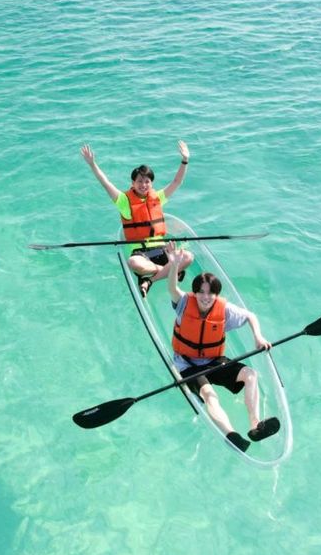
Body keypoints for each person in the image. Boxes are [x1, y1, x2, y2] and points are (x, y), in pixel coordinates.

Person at [166, 250, 281, 453]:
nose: (206, 297)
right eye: (201, 292)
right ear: (194, 292)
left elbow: (250, 316)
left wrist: (258, 336)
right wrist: (174, 265)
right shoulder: (183, 303)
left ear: (216, 294)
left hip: (213, 360)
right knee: (209, 395)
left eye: (210, 293)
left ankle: (255, 425)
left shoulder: (224, 309)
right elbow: (172, 288)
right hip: (187, 364)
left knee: (250, 374)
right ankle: (231, 435)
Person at [80, 141, 194, 297]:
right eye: (139, 181)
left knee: (188, 257)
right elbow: (105, 183)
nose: (143, 185)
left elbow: (177, 182)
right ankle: (169, 271)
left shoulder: (157, 198)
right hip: (141, 253)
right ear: (132, 183)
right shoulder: (124, 202)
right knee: (133, 263)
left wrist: (185, 160)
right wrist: (92, 164)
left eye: (147, 181)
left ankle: (149, 280)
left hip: (162, 249)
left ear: (151, 184)